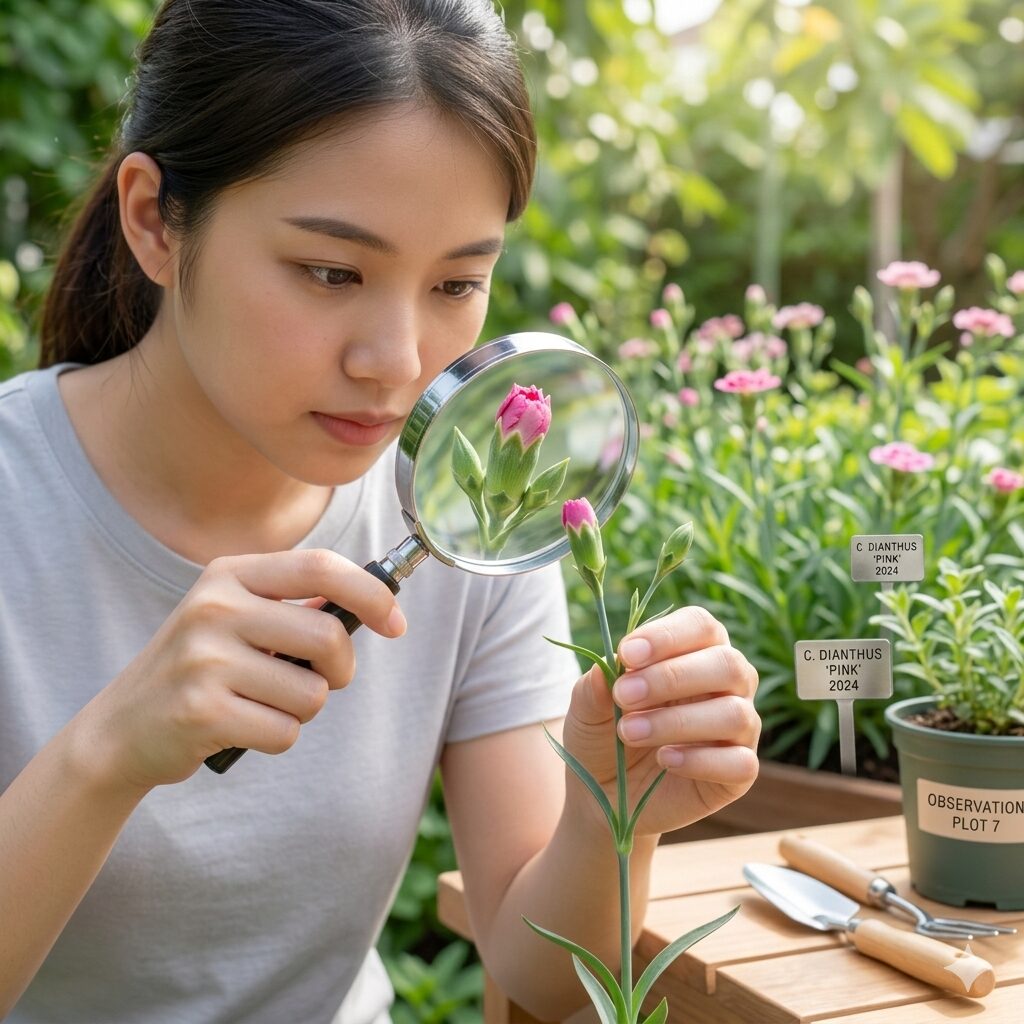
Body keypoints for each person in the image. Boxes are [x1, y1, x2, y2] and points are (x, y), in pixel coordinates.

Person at [0, 1, 761, 1021]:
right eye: (329, 271)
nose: (397, 362)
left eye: (458, 281)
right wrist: (109, 753)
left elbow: (536, 973)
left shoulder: (473, 515)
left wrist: (612, 814)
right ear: (154, 221)